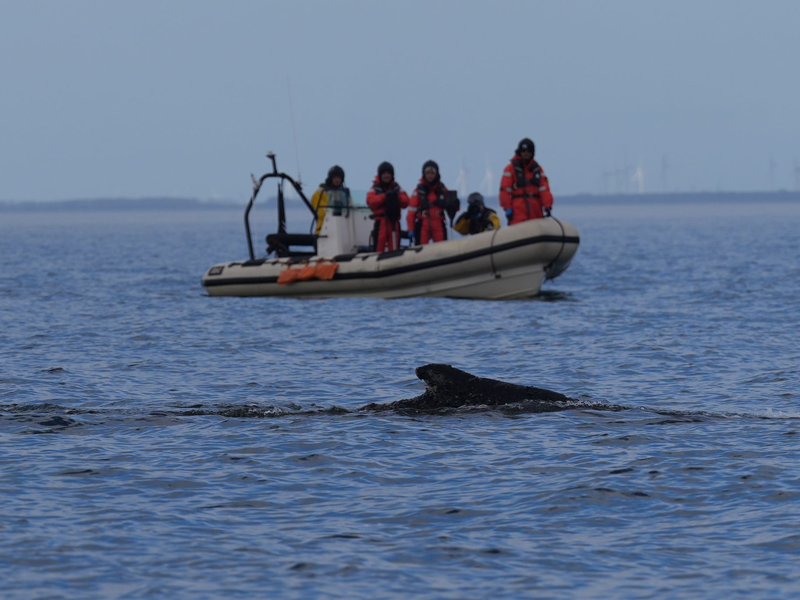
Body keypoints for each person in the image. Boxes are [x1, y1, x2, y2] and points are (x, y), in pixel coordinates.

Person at [499, 138, 554, 225]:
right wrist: (507, 208)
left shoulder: (538, 169)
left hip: (536, 211)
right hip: (518, 212)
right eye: (523, 150)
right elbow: (504, 191)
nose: (526, 153)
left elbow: (544, 190)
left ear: (532, 152)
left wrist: (548, 205)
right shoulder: (510, 169)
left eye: (529, 151)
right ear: (519, 151)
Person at [366, 161, 410, 252]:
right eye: (384, 173)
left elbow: (406, 202)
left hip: (394, 222)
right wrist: (385, 197)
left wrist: (395, 196)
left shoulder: (397, 188)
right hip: (380, 223)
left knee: (394, 249)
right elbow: (371, 201)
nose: (386, 176)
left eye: (388, 173)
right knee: (379, 249)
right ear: (380, 175)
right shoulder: (374, 188)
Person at [407, 160, 450, 244]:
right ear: (424, 174)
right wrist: (411, 228)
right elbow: (411, 212)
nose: (430, 175)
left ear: (436, 174)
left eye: (432, 173)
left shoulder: (443, 190)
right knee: (421, 250)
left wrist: (454, 204)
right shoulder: (418, 191)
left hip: (439, 224)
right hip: (423, 224)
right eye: (427, 173)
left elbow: (453, 207)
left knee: (441, 249)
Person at [310, 165, 353, 235]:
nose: (337, 180)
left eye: (339, 178)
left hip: (342, 230)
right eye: (335, 177)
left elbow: (350, 207)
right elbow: (322, 212)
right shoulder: (320, 192)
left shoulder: (345, 193)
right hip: (323, 230)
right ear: (330, 178)